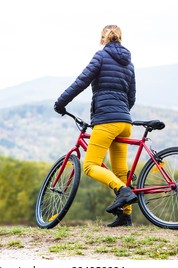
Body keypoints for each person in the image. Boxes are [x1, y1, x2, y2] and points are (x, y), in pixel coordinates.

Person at [54, 25, 137, 227]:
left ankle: (122, 191)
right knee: (120, 171)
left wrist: (61, 103)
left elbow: (81, 81)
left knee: (90, 165)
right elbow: (131, 97)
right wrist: (120, 112)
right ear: (120, 39)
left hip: (107, 121)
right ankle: (125, 216)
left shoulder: (100, 57)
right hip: (125, 121)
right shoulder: (129, 64)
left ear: (102, 39)